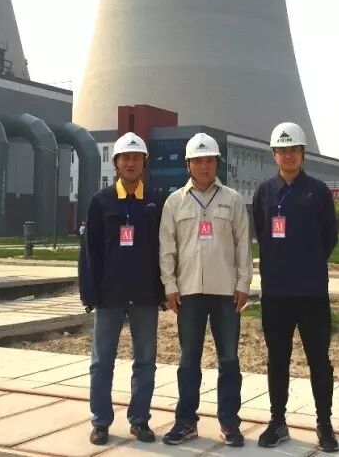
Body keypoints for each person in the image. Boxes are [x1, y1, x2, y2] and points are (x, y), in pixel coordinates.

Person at [159, 132, 253, 447]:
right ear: (188, 164)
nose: (204, 166)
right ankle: (186, 421)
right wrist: (170, 286)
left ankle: (230, 422)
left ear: (217, 163)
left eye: (209, 160)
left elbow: (243, 246)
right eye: (198, 161)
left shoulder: (232, 199)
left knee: (229, 360)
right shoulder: (175, 202)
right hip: (188, 293)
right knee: (189, 361)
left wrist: (243, 284)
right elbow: (167, 248)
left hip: (226, 293)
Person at [252, 122, 339, 452]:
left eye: (293, 150)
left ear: (303, 154)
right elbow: (261, 231)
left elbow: (330, 236)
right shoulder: (264, 192)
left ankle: (324, 424)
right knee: (277, 359)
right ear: (274, 155)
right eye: (281, 151)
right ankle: (277, 422)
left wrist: (308, 262)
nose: (287, 156)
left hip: (311, 292)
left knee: (319, 360)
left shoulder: (318, 191)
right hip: (276, 293)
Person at [79, 132, 165, 445]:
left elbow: (165, 249)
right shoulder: (101, 201)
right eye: (125, 158)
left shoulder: (156, 200)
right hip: (109, 294)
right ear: (116, 163)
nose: (130, 163)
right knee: (102, 361)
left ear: (144, 162)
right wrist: (90, 293)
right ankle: (101, 421)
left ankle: (140, 420)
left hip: (144, 294)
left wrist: (163, 290)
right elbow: (89, 251)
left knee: (145, 361)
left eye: (136, 157)